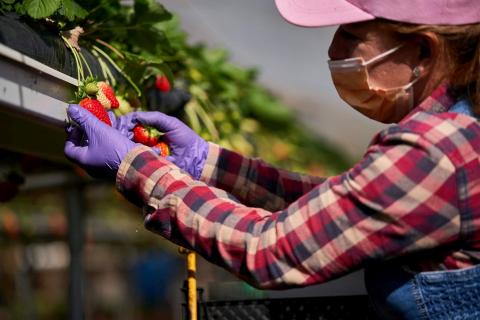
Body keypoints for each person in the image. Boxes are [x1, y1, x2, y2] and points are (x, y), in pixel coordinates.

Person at [64, 0, 480, 318]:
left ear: (422, 53)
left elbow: (269, 248)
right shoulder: (457, 134)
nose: (334, 47)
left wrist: (136, 168)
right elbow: (336, 206)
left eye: (352, 34)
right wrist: (206, 162)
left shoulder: (437, 151)